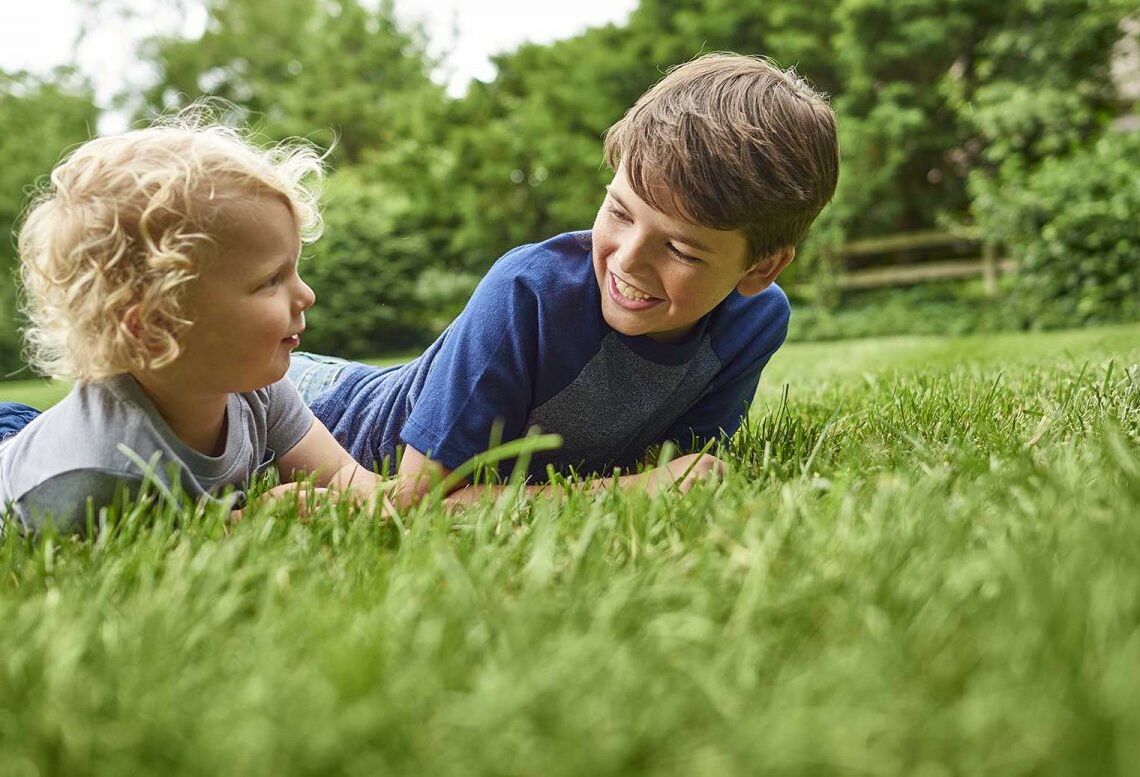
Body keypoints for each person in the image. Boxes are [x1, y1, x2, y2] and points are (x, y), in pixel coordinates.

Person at [291, 52, 840, 507]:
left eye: (679, 248)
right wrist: (624, 492)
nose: (628, 260)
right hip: (309, 408)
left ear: (761, 267)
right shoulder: (528, 292)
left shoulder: (754, 323)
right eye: (620, 212)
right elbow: (413, 502)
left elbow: (676, 467)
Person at [0, 115, 387, 534]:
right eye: (270, 281)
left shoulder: (255, 385)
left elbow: (352, 482)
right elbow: (148, 551)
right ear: (155, 326)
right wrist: (247, 520)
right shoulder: (96, 471)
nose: (306, 294)